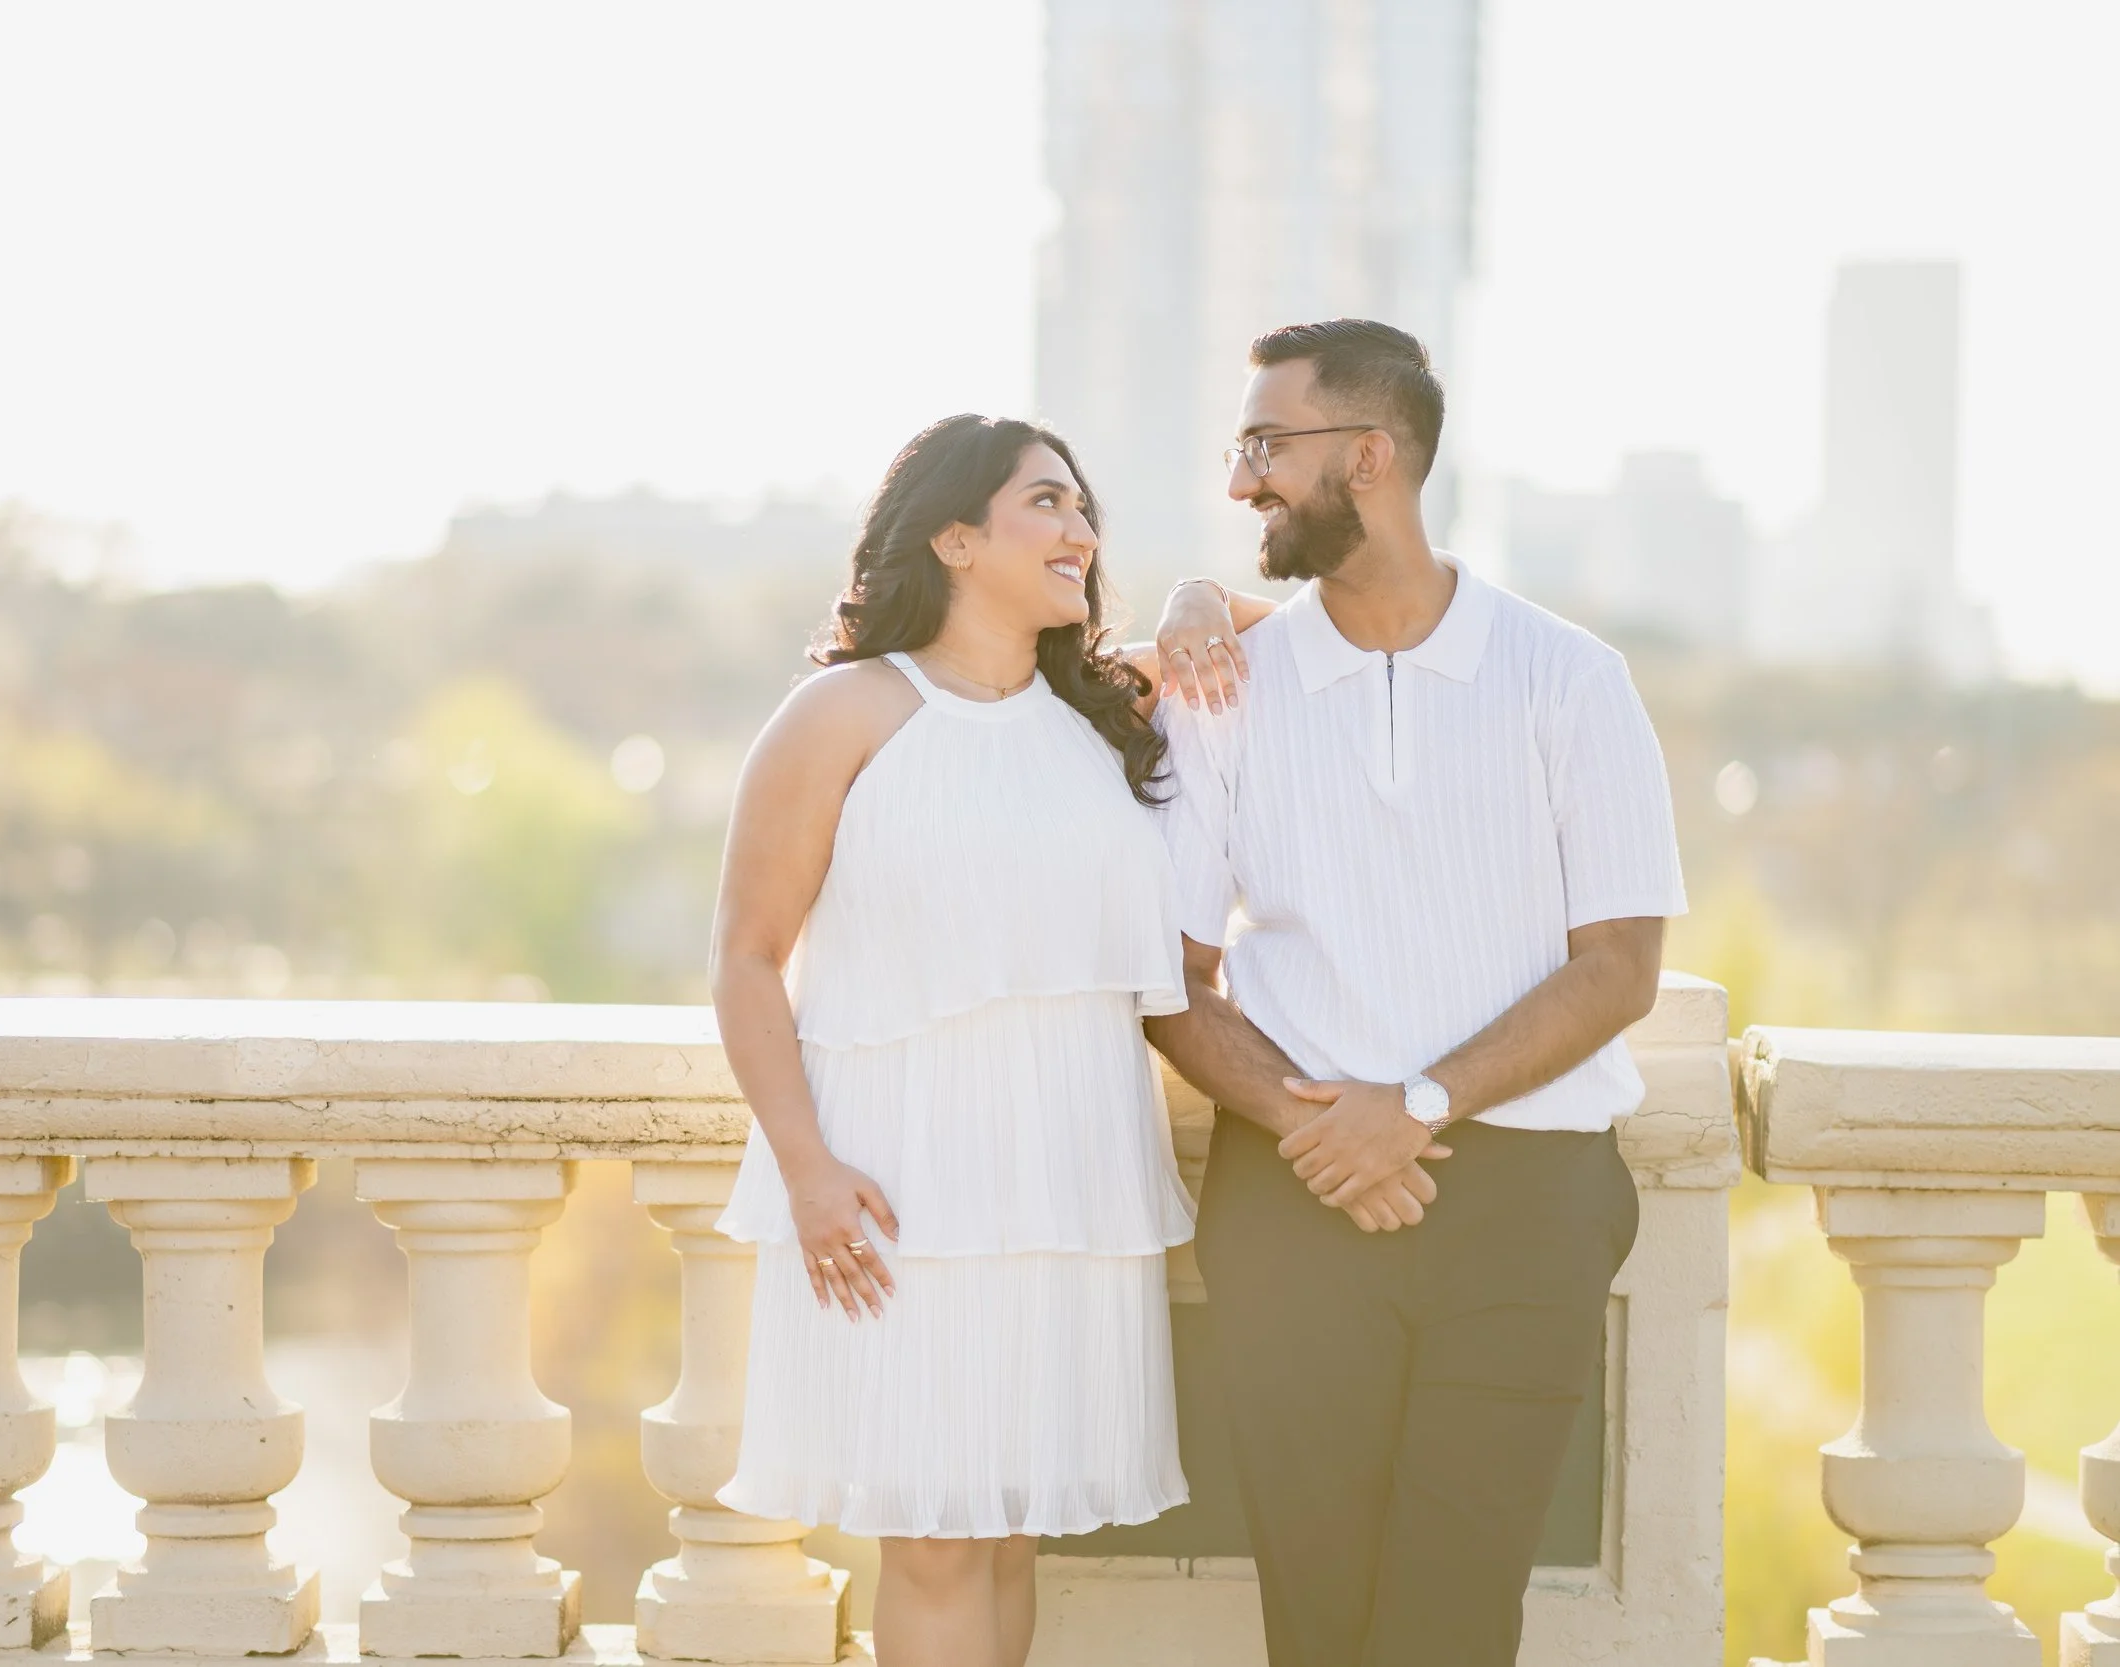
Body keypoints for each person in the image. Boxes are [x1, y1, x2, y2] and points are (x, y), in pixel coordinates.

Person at [707, 414, 1441, 1667]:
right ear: (952, 535)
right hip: (899, 1180)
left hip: (1063, 1176)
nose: (1081, 531)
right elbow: (744, 958)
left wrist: (1204, 595)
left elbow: (1327, 628)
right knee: (933, 1535)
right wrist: (806, 1170)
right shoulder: (844, 712)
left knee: (1005, 1533)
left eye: (1084, 507)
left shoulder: (1106, 703)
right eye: (1045, 504)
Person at [1142, 319, 1686, 1667]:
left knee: (1455, 1613)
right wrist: (1326, 1125)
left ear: (1369, 457)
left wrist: (1419, 1103)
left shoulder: (1570, 679)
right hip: (1294, 1190)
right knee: (1316, 1617)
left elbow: (1621, 963)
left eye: (1267, 445)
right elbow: (1167, 968)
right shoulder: (1226, 685)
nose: (1240, 481)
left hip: (1526, 1202)